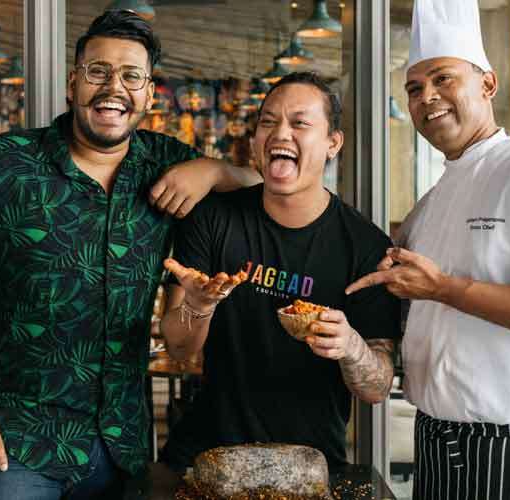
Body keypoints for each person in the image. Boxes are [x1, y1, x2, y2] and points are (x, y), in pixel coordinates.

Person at [0, 10, 259, 500]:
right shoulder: (6, 163)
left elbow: (263, 187)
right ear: (73, 83)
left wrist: (213, 170)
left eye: (132, 76)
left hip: (118, 442)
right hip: (13, 439)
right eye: (98, 71)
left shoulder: (166, 161)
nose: (114, 88)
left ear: (150, 94)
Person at [346, 1, 510, 498]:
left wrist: (443, 288)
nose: (427, 97)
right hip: (435, 436)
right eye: (414, 88)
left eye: (443, 78)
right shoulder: (430, 203)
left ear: (488, 84)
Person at [158, 72, 401, 471]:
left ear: (332, 143)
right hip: (208, 456)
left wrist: (352, 347)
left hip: (306, 465)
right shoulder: (214, 219)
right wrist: (198, 307)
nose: (280, 133)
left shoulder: (365, 246)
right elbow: (179, 348)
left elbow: (376, 388)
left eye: (300, 123)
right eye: (268, 122)